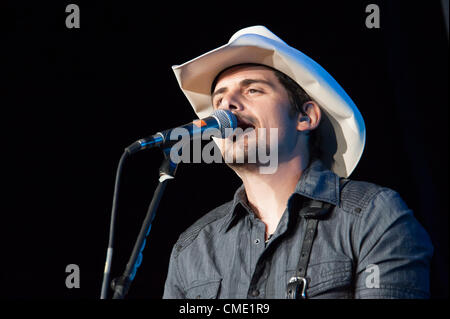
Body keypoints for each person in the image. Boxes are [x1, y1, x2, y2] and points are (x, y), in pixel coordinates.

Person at [162, 26, 433, 299]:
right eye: (218, 99)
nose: (227, 105)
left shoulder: (373, 216)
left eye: (253, 90)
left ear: (305, 117)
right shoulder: (192, 249)